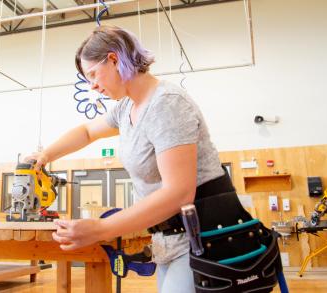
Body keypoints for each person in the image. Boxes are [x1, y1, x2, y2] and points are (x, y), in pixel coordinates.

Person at [26, 25, 229, 293]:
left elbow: (180, 192)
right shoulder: (126, 108)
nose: (93, 85)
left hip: (205, 236)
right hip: (170, 240)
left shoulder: (166, 103)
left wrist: (101, 228)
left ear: (113, 59)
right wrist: (47, 154)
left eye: (93, 74)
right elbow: (87, 132)